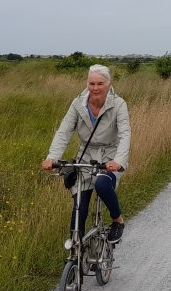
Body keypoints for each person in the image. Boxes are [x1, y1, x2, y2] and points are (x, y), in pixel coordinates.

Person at [42, 64, 131, 243]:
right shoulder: (78, 103)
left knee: (102, 185)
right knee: (79, 206)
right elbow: (64, 131)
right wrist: (52, 157)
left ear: (108, 84)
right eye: (91, 83)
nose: (95, 88)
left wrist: (119, 161)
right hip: (86, 156)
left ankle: (117, 220)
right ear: (87, 83)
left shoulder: (118, 104)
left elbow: (125, 133)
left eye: (100, 84)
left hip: (110, 156)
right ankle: (77, 252)